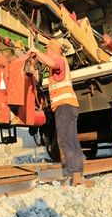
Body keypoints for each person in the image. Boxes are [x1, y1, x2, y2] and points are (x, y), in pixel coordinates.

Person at [29, 40, 93, 187]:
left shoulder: (59, 60)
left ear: (54, 50)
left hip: (65, 106)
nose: (46, 52)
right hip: (66, 106)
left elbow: (53, 63)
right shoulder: (55, 64)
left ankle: (75, 175)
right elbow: (40, 73)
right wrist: (34, 61)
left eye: (47, 50)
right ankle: (76, 174)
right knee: (71, 139)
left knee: (66, 141)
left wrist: (36, 52)